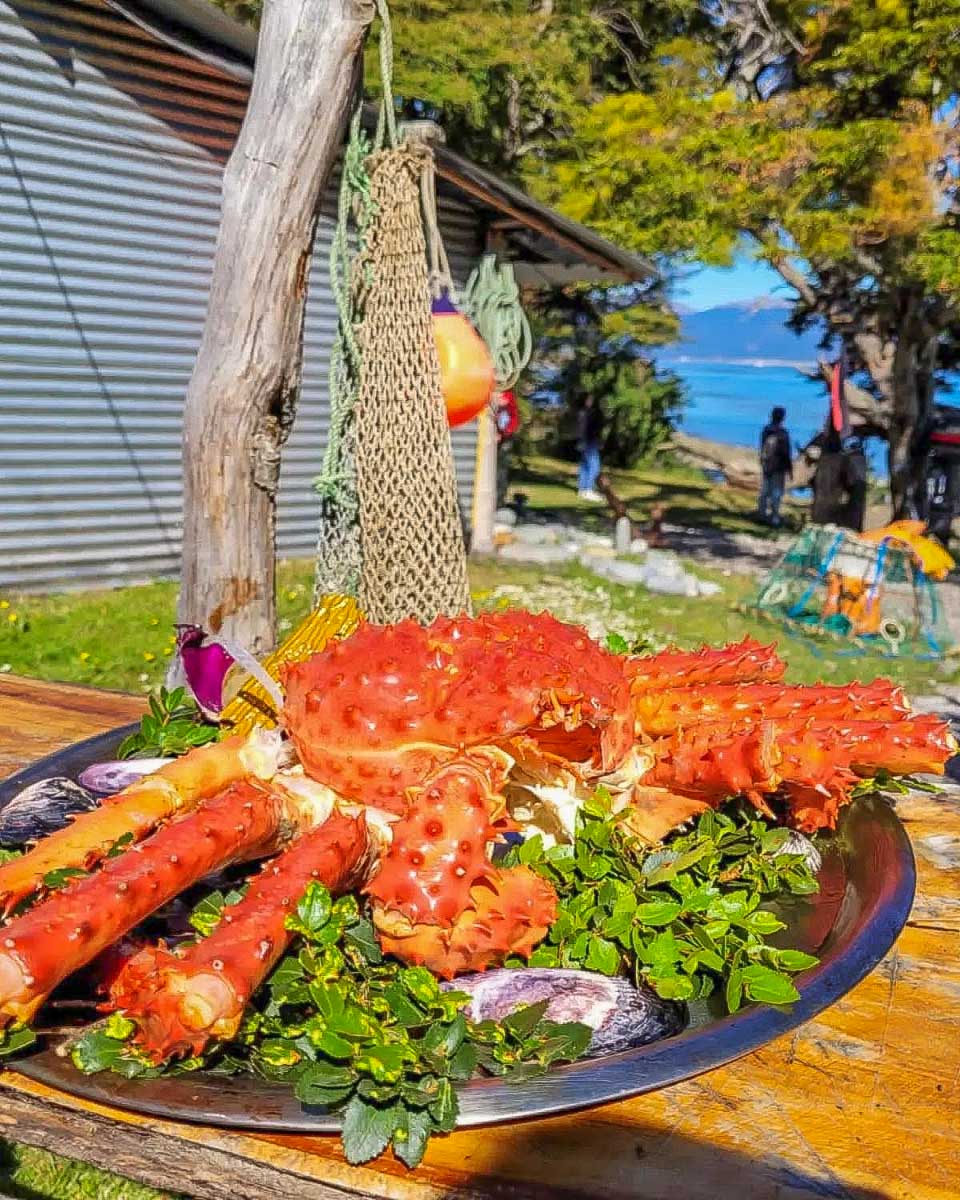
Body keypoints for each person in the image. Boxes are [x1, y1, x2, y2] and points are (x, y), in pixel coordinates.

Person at [758, 406, 792, 526]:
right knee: (776, 493)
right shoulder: (783, 433)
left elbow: (762, 448)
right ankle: (774, 518)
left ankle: (761, 515)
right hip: (779, 467)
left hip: (767, 465)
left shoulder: (766, 430)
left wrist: (762, 462)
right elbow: (786, 453)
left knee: (764, 491)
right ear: (783, 418)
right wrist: (790, 469)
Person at [494, 389, 520, 506]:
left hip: (505, 438)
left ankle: (499, 500)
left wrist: (504, 433)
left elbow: (513, 417)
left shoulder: (508, 395)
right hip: (497, 436)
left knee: (501, 469)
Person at [577, 396, 604, 502]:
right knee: (594, 466)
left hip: (587, 442)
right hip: (589, 442)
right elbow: (586, 429)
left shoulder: (583, 412)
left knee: (584, 466)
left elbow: (582, 429)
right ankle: (588, 490)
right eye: (588, 399)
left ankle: (582, 490)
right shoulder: (590, 413)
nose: (589, 401)